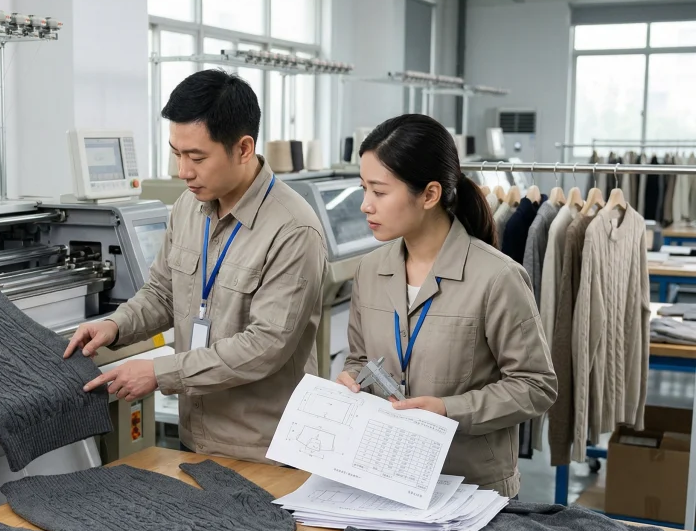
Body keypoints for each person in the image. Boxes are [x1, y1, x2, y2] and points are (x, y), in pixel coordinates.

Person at [64, 69, 327, 463]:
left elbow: (265, 346)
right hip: (195, 439)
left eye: (196, 157)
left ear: (243, 148)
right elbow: (162, 293)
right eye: (176, 153)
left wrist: (159, 373)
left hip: (265, 450)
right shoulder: (189, 208)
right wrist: (115, 326)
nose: (183, 171)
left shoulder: (293, 229)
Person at [337, 114, 556, 497]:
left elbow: (536, 386)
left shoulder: (497, 278)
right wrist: (351, 381)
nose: (365, 206)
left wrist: (448, 409)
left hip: (470, 489)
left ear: (430, 194)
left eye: (379, 191)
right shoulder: (370, 271)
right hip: (384, 477)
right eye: (363, 189)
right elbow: (360, 360)